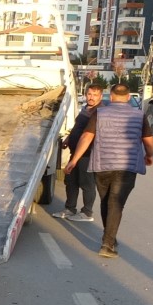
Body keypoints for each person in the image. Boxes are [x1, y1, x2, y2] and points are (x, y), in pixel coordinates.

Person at [64, 84, 153, 258]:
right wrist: (149, 155)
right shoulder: (139, 115)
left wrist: (74, 160)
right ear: (128, 97)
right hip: (127, 166)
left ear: (111, 97)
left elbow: (86, 136)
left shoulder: (100, 113)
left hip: (103, 164)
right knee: (116, 203)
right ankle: (108, 243)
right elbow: (149, 141)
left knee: (107, 201)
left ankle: (109, 239)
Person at [55, 85, 102, 222]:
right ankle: (70, 209)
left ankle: (87, 212)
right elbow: (78, 127)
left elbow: (88, 135)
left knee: (87, 183)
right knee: (71, 181)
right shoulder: (86, 109)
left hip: (88, 154)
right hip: (75, 152)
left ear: (100, 96)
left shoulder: (99, 111)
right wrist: (69, 139)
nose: (91, 97)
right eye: (89, 94)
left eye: (94, 95)